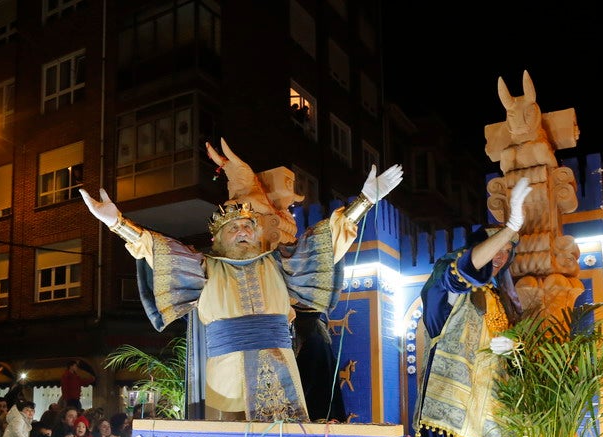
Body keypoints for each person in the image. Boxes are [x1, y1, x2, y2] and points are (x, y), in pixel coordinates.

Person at [80, 138, 402, 422]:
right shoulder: (203, 267)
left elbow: (325, 241)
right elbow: (155, 249)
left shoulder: (279, 263)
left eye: (248, 226)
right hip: (227, 376)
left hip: (281, 369)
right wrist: (117, 223)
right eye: (233, 228)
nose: (243, 231)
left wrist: (365, 200)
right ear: (219, 238)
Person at [408, 177, 533, 437]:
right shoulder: (448, 280)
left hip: (493, 410)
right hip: (449, 405)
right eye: (497, 247)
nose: (501, 256)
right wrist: (510, 228)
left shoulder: (503, 300)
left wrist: (512, 348)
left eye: (507, 251)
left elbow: (516, 356)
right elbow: (460, 274)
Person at [292, 310, 347, 422]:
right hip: (328, 410)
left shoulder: (312, 343)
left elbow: (305, 379)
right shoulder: (321, 341)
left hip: (317, 411)